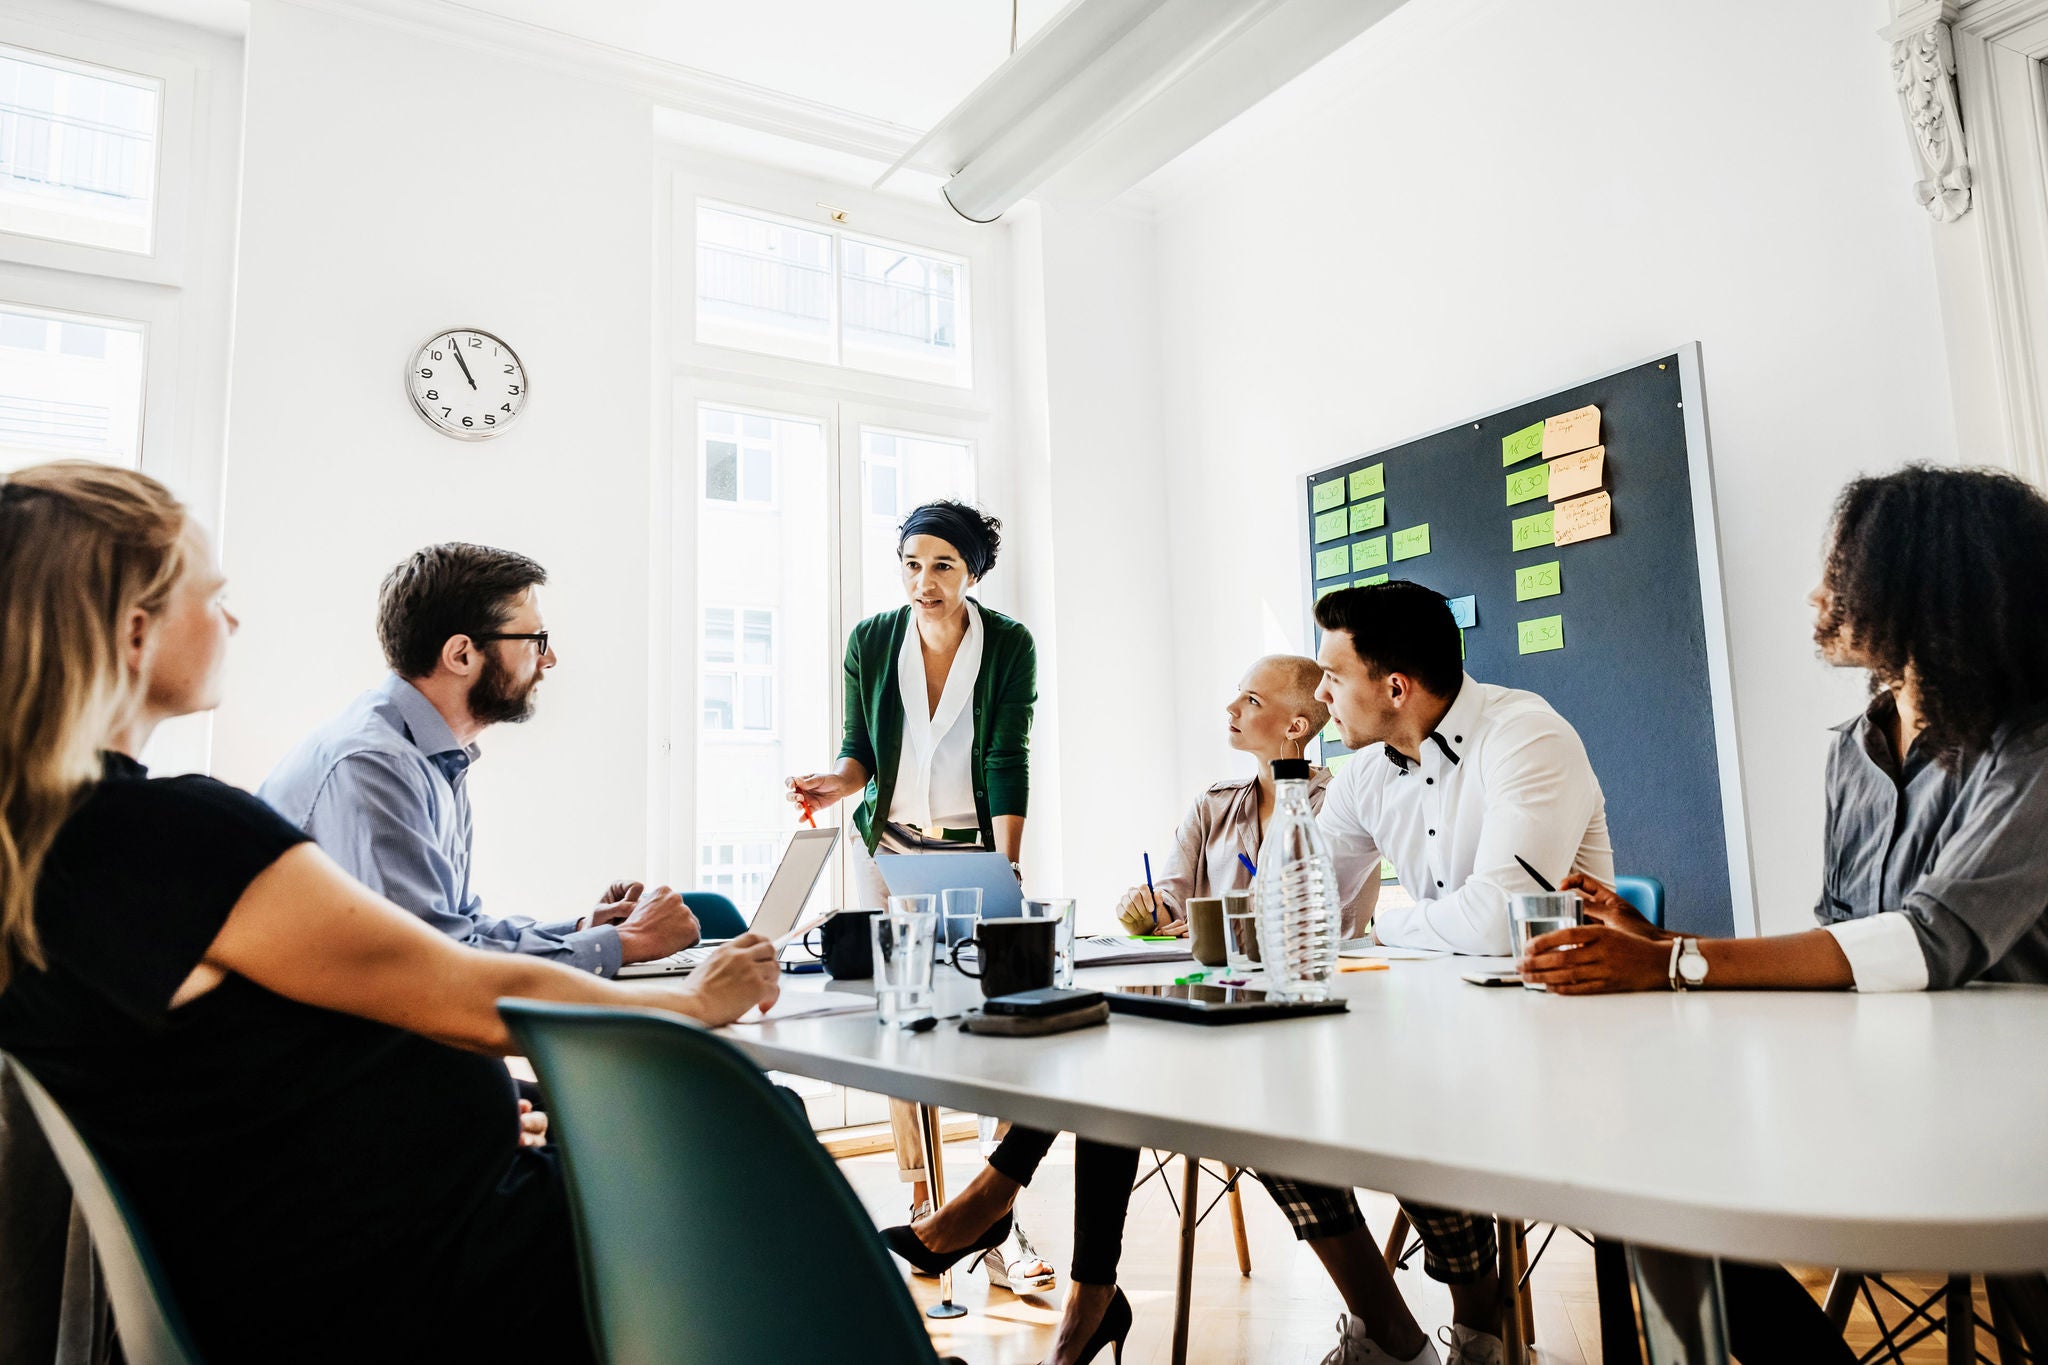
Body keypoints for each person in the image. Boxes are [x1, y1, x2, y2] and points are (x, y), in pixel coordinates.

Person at [0, 462, 783, 1364]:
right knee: (752, 1150)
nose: (232, 619)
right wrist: (690, 1007)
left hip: (290, 1272)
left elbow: (251, 1066)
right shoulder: (168, 837)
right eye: (213, 596)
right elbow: (470, 991)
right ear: (135, 632)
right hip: (413, 1281)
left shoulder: (51, 847)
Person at [1515, 464, 2048, 1364]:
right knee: (1643, 1161)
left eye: (1842, 574)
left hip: (2012, 1115)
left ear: (1925, 585)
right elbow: (1847, 930)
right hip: (1884, 1085)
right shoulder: (1855, 748)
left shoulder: (2031, 745)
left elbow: (1931, 939)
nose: (1817, 594)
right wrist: (1668, 942)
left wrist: (1677, 964)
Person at [1283, 579, 1614, 1365]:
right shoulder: (1364, 775)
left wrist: (1378, 926)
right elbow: (1303, 912)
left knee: (1412, 1091)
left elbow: (1500, 919)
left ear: (1394, 687)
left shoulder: (1526, 735)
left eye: (1332, 677)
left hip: (1567, 1037)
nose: (1322, 695)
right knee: (1274, 1105)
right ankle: (1388, 1335)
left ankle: (1480, 1331)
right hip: (1439, 1026)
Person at [783, 499, 1048, 1286]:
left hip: (974, 848)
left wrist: (1007, 865)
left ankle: (994, 1218)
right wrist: (837, 782)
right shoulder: (872, 639)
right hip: (891, 847)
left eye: (941, 566)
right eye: (911, 564)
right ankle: (924, 1197)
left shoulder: (1007, 645)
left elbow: (1008, 752)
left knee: (997, 1019)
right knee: (906, 1018)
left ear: (971, 573)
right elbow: (860, 750)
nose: (923, 582)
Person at [260, 543, 699, 977]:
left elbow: (461, 931)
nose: (549, 659)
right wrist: (628, 942)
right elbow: (432, 966)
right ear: (462, 655)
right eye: (535, 640)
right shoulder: (375, 764)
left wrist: (587, 929)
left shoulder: (432, 756)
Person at [1113, 654, 1373, 937]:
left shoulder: (1342, 809)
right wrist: (1143, 914)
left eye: (1252, 700)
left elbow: (1328, 922)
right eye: (1240, 693)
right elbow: (1167, 911)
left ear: (1295, 727)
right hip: (1213, 980)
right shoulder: (1210, 806)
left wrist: (1223, 930)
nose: (1230, 707)